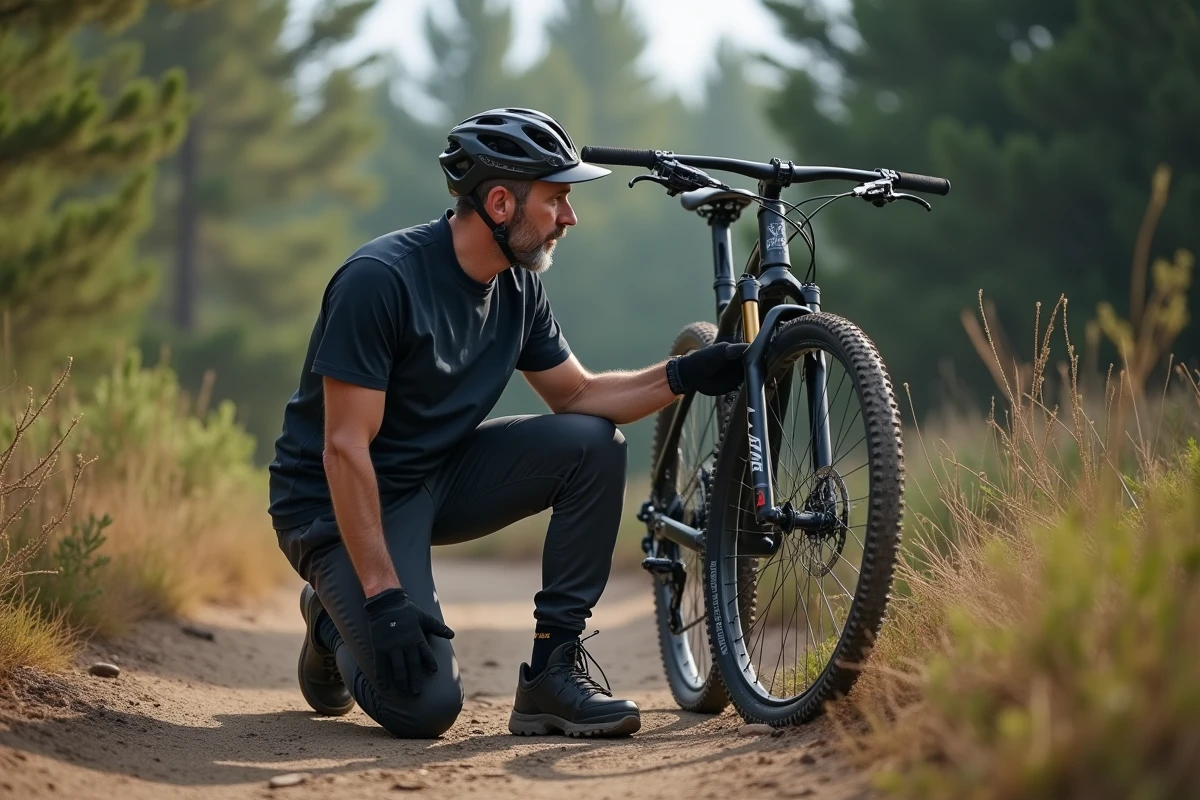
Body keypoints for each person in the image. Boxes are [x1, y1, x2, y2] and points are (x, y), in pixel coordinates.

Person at [267, 107, 748, 739]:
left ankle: (552, 674)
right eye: (557, 199)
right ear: (499, 202)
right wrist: (383, 597)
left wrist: (684, 375)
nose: (570, 217)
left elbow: (577, 396)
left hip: (435, 478)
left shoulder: (518, 287)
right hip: (336, 504)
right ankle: (332, 618)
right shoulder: (379, 281)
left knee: (592, 444)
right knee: (425, 706)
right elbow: (343, 446)